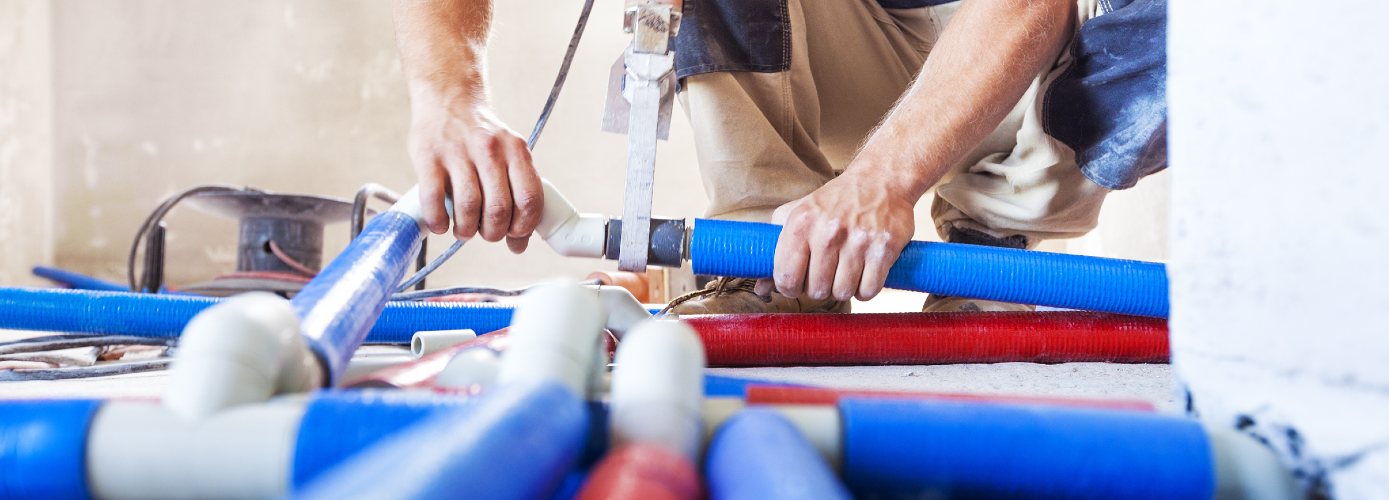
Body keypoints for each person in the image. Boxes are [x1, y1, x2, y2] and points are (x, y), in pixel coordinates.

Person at [391, 0, 1167, 314]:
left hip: (1029, 69)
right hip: (832, 51)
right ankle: (767, 258)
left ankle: (997, 263)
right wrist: (452, 102)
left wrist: (882, 181)